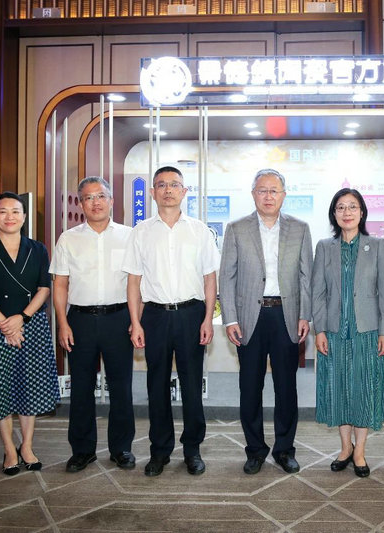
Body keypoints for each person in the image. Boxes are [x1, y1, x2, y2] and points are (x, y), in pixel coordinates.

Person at [123, 165, 219, 477]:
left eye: (174, 184)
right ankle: (160, 451)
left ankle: (192, 449)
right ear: (152, 192)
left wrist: (208, 319)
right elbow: (134, 281)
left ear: (184, 191)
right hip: (154, 316)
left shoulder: (200, 231)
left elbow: (210, 279)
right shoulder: (140, 232)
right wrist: (136, 322)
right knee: (157, 385)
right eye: (162, 185)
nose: (168, 190)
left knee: (192, 386)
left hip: (191, 314)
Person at [218, 168, 313, 475]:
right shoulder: (236, 228)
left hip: (286, 316)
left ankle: (284, 449)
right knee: (250, 387)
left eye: (274, 191)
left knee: (287, 388)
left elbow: (306, 277)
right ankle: (255, 450)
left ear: (283, 195)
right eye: (262, 190)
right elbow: (227, 277)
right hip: (250, 318)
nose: (268, 196)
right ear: (253, 194)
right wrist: (230, 318)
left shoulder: (300, 228)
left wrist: (305, 315)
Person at [0, 192, 60, 475]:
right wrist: (5, 325)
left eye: (16, 211)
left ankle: (27, 446)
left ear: (24, 216)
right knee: (1, 389)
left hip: (31, 325)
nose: (10, 217)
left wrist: (22, 318)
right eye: (3, 211)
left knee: (29, 387)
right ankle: (9, 449)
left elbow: (44, 288)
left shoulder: (38, 248)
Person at [50, 177, 135, 473]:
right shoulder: (68, 238)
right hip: (80, 321)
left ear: (111, 200)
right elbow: (60, 285)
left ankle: (121, 448)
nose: (95, 202)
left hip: (119, 318)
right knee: (81, 388)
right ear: (80, 203)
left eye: (100, 196)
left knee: (121, 387)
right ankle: (82, 451)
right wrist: (62, 323)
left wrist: (136, 321)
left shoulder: (129, 236)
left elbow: (137, 283)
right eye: (88, 197)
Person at [312, 188, 384, 478]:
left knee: (364, 389)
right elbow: (318, 292)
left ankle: (360, 452)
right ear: (334, 214)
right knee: (339, 390)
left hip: (367, 331)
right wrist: (319, 329)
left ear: (362, 212)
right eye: (341, 207)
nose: (347, 212)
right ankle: (345, 448)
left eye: (353, 206)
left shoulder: (377, 245)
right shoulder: (324, 247)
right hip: (334, 332)